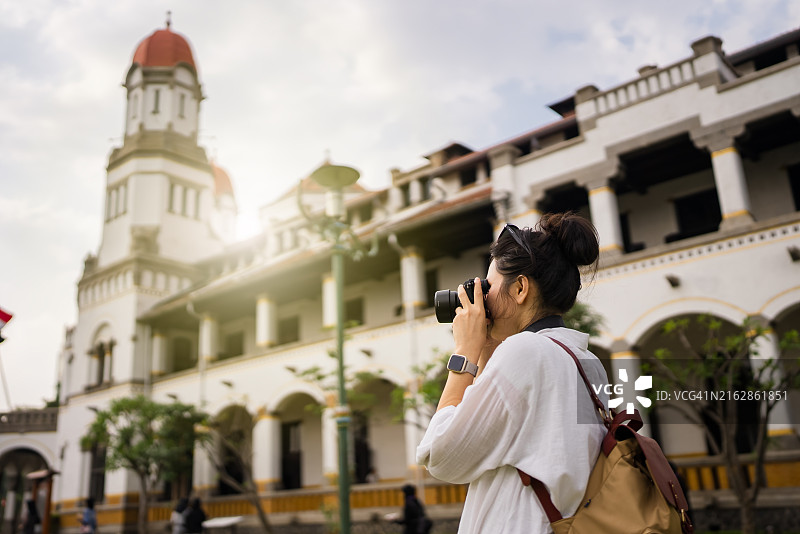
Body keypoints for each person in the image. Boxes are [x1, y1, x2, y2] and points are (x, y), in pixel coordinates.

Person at [416, 213, 609, 533]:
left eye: (488, 286)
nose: (483, 298)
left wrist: (464, 351)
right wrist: (487, 349)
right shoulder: (586, 361)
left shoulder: (525, 352)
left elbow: (440, 456)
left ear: (520, 288)